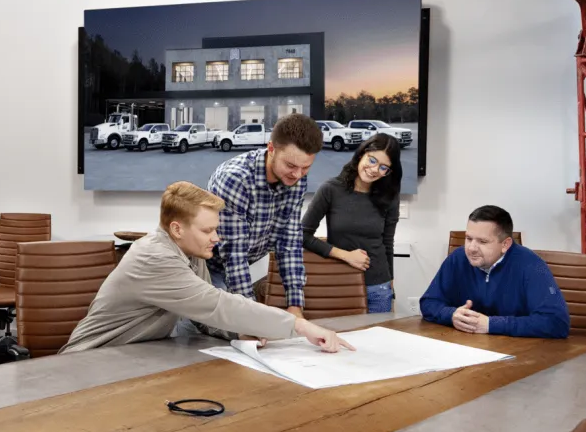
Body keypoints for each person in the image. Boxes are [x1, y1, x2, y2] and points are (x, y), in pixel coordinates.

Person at [62, 182, 353, 354]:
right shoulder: (155, 257)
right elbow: (216, 304)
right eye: (207, 230)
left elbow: (202, 316)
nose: (216, 237)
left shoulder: (190, 252)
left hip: (130, 357)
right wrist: (299, 325)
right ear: (176, 228)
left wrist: (237, 334)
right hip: (89, 361)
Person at [206, 113, 323, 316]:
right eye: (291, 166)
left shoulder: (296, 178)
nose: (298, 175)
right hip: (209, 268)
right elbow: (234, 255)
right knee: (220, 327)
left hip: (246, 266)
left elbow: (289, 240)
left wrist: (295, 305)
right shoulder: (236, 178)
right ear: (271, 149)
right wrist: (252, 317)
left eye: (306, 168)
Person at [420, 205, 569, 338]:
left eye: (482, 241)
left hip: (519, 354)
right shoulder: (458, 258)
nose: (471, 248)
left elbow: (556, 322)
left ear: (505, 244)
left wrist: (491, 324)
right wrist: (451, 315)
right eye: (468, 238)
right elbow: (429, 302)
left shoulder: (532, 265)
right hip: (469, 349)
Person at [302, 134, 401, 314]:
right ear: (362, 153)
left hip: (378, 287)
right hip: (340, 283)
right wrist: (345, 255)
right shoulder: (330, 189)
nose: (374, 169)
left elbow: (388, 244)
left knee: (377, 341)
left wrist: (390, 288)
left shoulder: (389, 196)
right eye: (372, 160)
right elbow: (302, 235)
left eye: (383, 167)